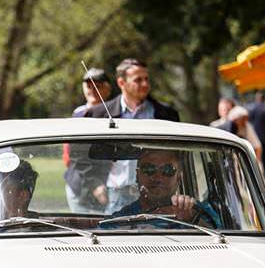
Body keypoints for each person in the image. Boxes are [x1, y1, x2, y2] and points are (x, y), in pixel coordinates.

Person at [85, 59, 180, 212]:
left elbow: (177, 155)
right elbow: (81, 156)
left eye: (147, 79)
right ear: (121, 82)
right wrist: (95, 185)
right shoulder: (99, 114)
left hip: (157, 193)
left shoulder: (166, 114)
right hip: (114, 194)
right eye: (138, 80)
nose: (145, 84)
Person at [109, 149, 221, 228]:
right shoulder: (121, 219)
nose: (158, 177)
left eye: (168, 170)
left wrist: (192, 219)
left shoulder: (199, 212)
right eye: (149, 169)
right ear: (137, 175)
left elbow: (225, 240)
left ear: (178, 178)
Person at [64, 68, 113, 211]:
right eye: (89, 86)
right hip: (78, 184)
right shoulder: (78, 114)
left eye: (98, 86)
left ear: (108, 89)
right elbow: (70, 154)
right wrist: (93, 184)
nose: (92, 90)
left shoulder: (115, 114)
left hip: (108, 185)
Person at [248, 91, 265, 178]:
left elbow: (249, 121)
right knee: (264, 156)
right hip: (263, 136)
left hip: (255, 135)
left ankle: (255, 174)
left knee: (254, 154)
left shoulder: (253, 109)